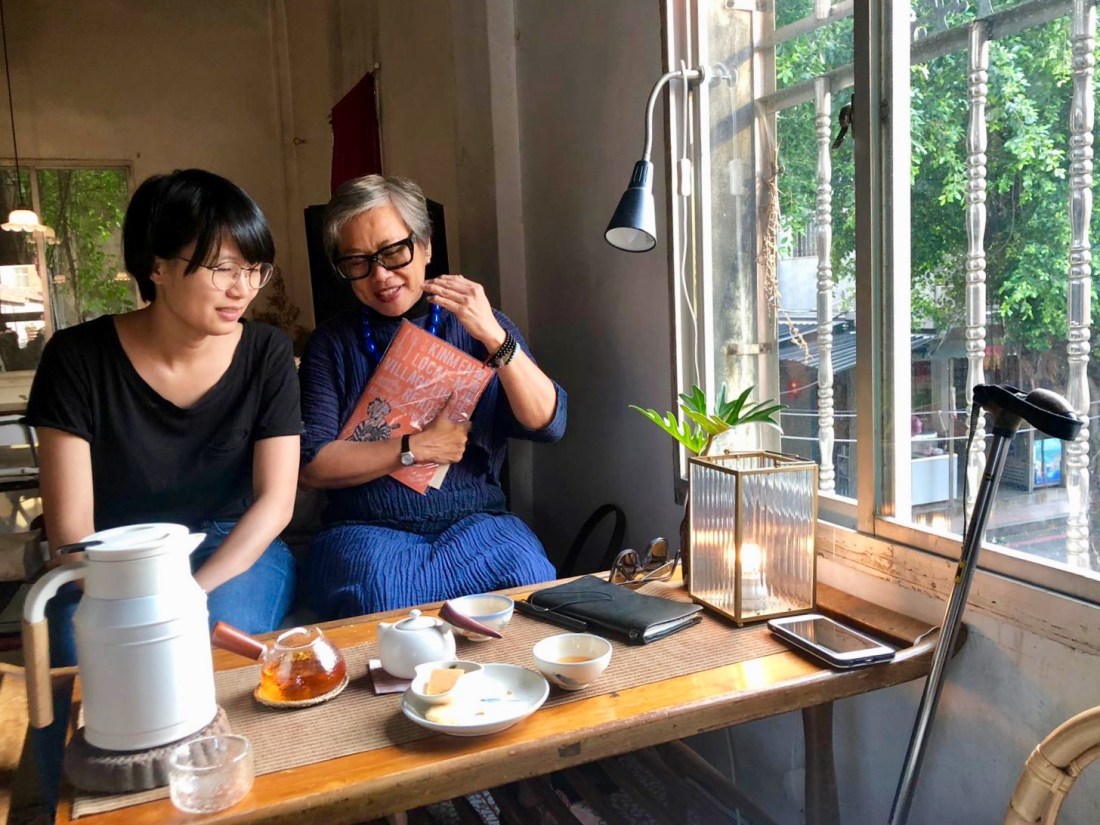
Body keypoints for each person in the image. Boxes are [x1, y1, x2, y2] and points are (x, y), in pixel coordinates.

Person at [26, 168, 303, 663]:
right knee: (90, 653)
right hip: (114, 554)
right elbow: (71, 530)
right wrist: (134, 603)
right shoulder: (77, 358)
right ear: (157, 267)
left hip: (230, 547)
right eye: (224, 269)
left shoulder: (268, 353)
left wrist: (189, 593)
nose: (243, 289)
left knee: (210, 642)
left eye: (255, 269)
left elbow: (276, 503)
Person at [299, 174, 566, 618]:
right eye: (358, 261)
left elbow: (549, 422)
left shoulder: (479, 324)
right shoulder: (331, 345)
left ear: (424, 245)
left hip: (476, 525)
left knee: (528, 577)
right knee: (381, 598)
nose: (380, 275)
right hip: (366, 530)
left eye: (393, 252)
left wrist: (494, 336)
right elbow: (312, 466)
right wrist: (415, 448)